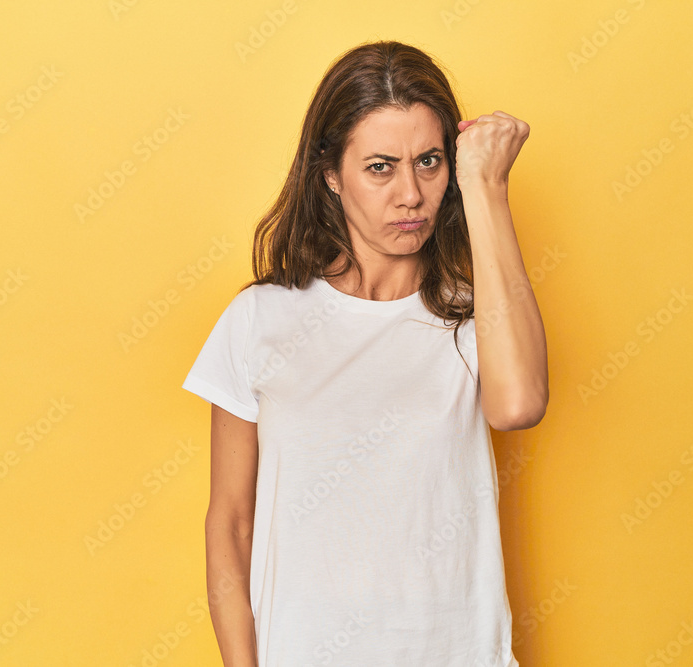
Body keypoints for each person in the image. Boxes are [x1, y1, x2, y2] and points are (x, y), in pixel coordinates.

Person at [182, 39, 548, 667]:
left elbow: (517, 406)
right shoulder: (262, 320)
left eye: (430, 162)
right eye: (381, 166)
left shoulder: (476, 318)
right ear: (331, 174)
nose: (410, 194)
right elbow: (231, 525)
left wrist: (485, 185)